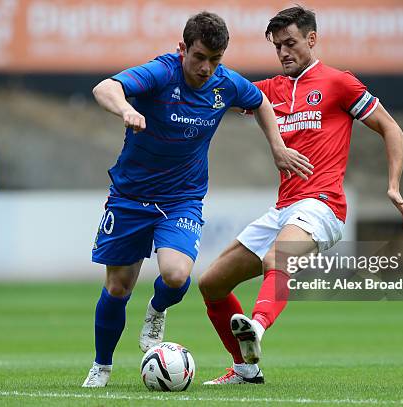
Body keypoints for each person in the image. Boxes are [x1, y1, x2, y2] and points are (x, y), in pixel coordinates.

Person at [81, 11, 313, 388]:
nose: (206, 68)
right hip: (130, 196)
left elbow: (260, 102)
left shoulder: (225, 83)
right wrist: (126, 108)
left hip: (181, 199)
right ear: (182, 49)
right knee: (118, 288)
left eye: (215, 60)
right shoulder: (160, 73)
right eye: (200, 57)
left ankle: (157, 310)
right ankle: (101, 366)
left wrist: (277, 147)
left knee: (176, 276)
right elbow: (104, 88)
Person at [199, 6, 403, 385]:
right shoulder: (270, 90)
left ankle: (257, 328)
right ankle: (246, 369)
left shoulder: (339, 83)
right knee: (212, 282)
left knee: (276, 258)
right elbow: (220, 88)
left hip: (323, 205)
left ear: (311, 39)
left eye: (291, 43)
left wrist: (393, 184)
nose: (284, 52)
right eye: (278, 46)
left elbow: (391, 128)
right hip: (283, 208)